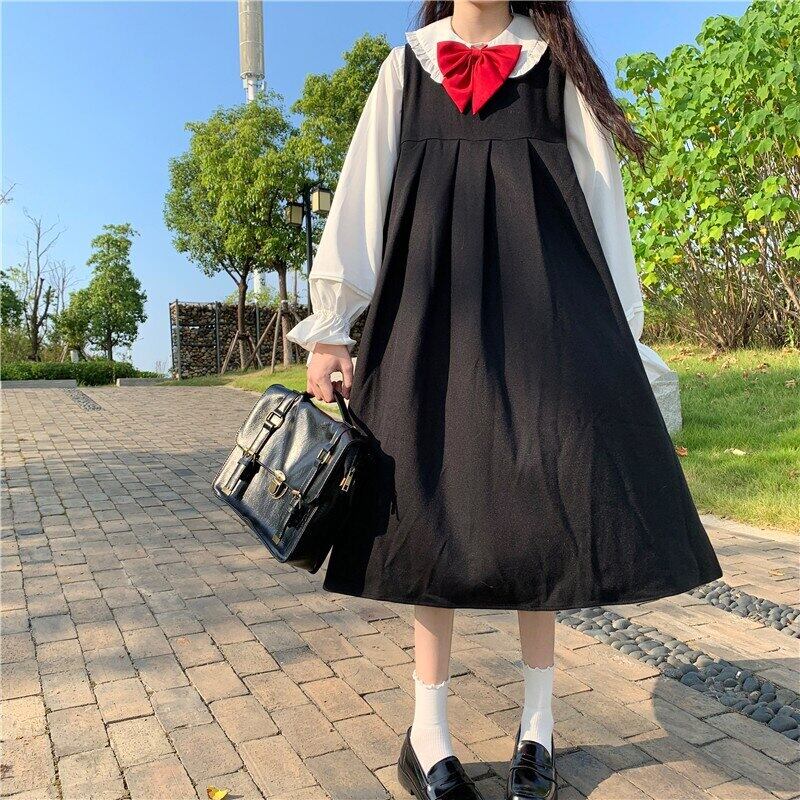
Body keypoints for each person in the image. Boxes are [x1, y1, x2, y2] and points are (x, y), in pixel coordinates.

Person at [287, 2, 722, 798]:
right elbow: (359, 198)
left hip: (544, 324)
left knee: (543, 509)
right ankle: (427, 733)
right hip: (424, 319)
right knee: (424, 512)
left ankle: (538, 726)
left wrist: (621, 336)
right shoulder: (406, 69)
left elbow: (605, 211)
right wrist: (331, 329)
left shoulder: (554, 73)